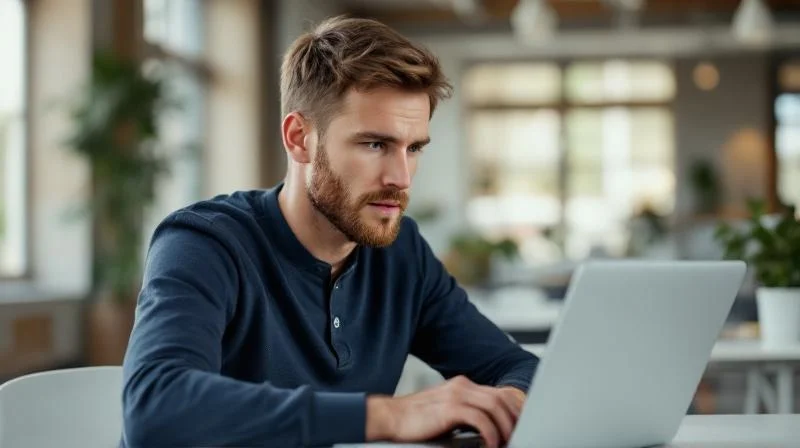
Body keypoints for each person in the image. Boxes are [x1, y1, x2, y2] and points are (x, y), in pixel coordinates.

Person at [121, 15, 539, 448]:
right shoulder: (203, 243)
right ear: (300, 138)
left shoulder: (402, 252)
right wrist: (387, 416)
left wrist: (508, 402)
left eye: (412, 148)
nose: (401, 177)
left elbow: (515, 367)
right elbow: (156, 409)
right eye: (375, 144)